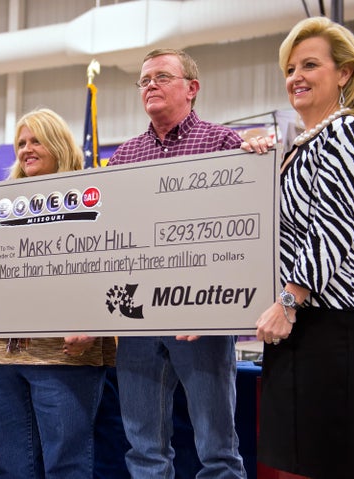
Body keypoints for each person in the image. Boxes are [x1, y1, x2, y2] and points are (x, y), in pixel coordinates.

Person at [252, 17, 354, 479]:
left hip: (334, 328)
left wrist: (289, 300)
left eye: (310, 65)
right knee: (293, 466)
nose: (296, 77)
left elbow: (332, 228)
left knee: (332, 466)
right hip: (298, 325)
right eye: (290, 69)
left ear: (344, 73)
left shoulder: (348, 133)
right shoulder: (302, 146)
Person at [107, 48, 247, 478]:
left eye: (162, 76)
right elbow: (105, 242)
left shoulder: (225, 143)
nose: (150, 84)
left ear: (192, 88)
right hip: (137, 320)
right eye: (144, 79)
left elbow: (246, 230)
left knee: (217, 448)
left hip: (201, 315)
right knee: (143, 447)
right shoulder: (123, 158)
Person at [0, 108, 116, 479]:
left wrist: (95, 325)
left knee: (67, 464)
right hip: (0, 357)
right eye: (20, 143)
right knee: (14, 468)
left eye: (36, 140)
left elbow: (115, 269)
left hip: (63, 356)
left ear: (59, 143)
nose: (26, 149)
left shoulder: (94, 199)